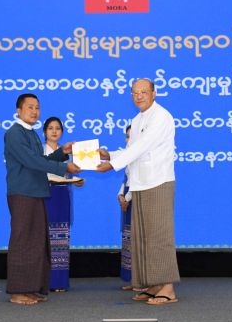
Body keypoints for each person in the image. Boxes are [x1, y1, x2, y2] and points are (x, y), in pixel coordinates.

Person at [97, 78, 180, 305]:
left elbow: (142, 147)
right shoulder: (137, 120)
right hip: (140, 183)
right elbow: (132, 150)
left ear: (154, 93)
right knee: (143, 238)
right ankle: (153, 284)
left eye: (144, 91)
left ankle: (168, 288)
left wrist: (113, 164)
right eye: (135, 92)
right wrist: (110, 155)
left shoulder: (161, 116)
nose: (139, 96)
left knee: (159, 236)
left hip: (158, 181)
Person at [4, 94, 81, 305]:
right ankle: (18, 291)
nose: (34, 111)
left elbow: (41, 161)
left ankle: (31, 288)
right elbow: (31, 161)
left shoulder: (31, 133)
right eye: (30, 107)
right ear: (18, 110)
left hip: (37, 192)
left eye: (37, 107)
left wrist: (62, 153)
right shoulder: (14, 133)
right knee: (22, 242)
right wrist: (64, 167)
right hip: (22, 193)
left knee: (36, 242)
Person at [42, 116, 84, 291]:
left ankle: (60, 282)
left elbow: (69, 175)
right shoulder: (40, 150)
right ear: (44, 132)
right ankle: (45, 282)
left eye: (57, 128)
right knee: (45, 238)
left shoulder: (66, 153)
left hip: (62, 196)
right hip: (46, 195)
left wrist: (78, 180)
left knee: (61, 238)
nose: (54, 131)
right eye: (50, 128)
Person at [118, 125, 134, 290]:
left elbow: (139, 180)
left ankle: (140, 279)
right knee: (128, 239)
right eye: (127, 136)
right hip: (127, 197)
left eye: (132, 136)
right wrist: (120, 195)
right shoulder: (128, 155)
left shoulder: (139, 155)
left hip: (135, 198)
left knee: (137, 240)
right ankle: (132, 279)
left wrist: (127, 198)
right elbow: (126, 180)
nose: (129, 139)